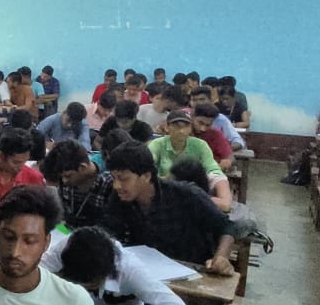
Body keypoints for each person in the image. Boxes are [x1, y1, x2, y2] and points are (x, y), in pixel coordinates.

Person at [44, 225, 201, 305]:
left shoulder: (132, 272)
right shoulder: (68, 248)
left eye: (91, 285)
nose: (85, 288)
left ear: (106, 273)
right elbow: (36, 274)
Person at [100, 141, 236, 274]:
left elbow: (227, 227)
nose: (116, 185)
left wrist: (221, 256)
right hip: (147, 270)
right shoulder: (119, 198)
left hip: (192, 271)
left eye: (124, 179)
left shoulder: (186, 194)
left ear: (146, 176)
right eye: (114, 178)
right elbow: (108, 229)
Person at [42, 140, 115, 229]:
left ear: (82, 167)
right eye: (61, 177)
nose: (64, 181)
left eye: (68, 176)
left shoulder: (109, 184)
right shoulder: (66, 181)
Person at [147, 110, 225, 180]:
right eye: (177, 126)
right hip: (163, 187)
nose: (182, 131)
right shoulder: (157, 144)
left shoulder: (201, 145)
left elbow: (213, 169)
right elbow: (147, 169)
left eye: (186, 126)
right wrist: (165, 179)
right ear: (167, 127)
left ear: (190, 128)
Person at [190, 104, 235, 172]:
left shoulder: (215, 134)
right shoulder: (183, 131)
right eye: (200, 123)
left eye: (208, 125)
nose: (203, 129)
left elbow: (230, 157)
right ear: (192, 117)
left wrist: (227, 162)